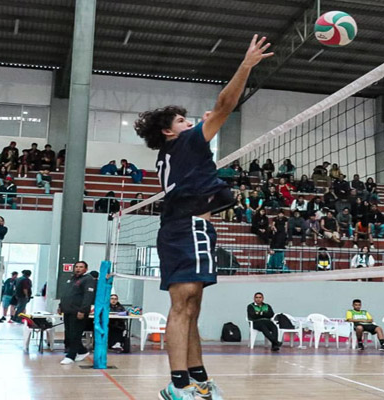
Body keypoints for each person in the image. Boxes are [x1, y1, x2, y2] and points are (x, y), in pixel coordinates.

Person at [133, 34, 272, 400]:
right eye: (182, 120)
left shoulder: (174, 151)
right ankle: (178, 385)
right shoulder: (188, 142)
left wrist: (205, 126)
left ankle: (197, 378)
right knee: (183, 306)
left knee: (192, 307)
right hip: (186, 226)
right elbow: (225, 104)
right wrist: (246, 65)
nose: (190, 122)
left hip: (191, 226)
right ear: (168, 131)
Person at [58, 261, 96, 365]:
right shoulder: (71, 279)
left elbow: (88, 297)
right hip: (68, 310)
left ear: (86, 269)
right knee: (69, 334)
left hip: (78, 311)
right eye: (77, 267)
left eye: (81, 267)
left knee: (75, 334)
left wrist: (83, 310)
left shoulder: (88, 279)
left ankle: (71, 356)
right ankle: (82, 351)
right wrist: (61, 305)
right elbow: (65, 294)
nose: (78, 269)